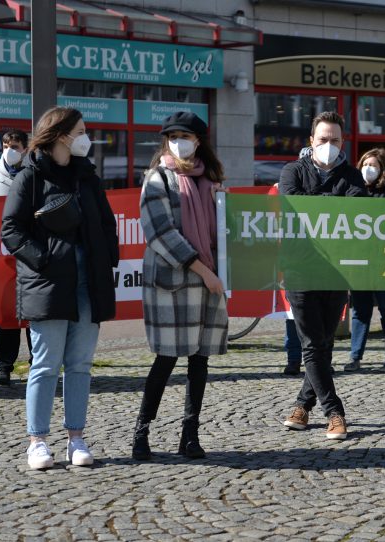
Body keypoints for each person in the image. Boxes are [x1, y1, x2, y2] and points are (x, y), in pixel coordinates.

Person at [1, 107, 119, 469]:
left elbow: (106, 223)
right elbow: (11, 229)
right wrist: (44, 260)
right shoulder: (30, 175)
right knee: (45, 365)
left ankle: (76, 438)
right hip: (49, 283)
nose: (87, 137)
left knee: (80, 365)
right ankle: (37, 441)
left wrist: (107, 257)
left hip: (89, 284)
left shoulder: (88, 177)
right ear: (62, 135)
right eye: (81, 131)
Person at [132, 112, 228, 461]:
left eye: (184, 135)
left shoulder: (213, 180)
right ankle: (141, 433)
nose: (177, 141)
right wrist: (203, 270)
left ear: (199, 140)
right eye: (172, 136)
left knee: (199, 361)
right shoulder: (157, 178)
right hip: (175, 281)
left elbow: (224, 231)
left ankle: (190, 434)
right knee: (166, 358)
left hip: (208, 281)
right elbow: (160, 232)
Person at [279, 111, 366, 440]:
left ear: (343, 143)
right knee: (313, 344)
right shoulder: (293, 171)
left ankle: (302, 405)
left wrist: (320, 203)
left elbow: (357, 210)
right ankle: (335, 412)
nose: (329, 145)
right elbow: (294, 205)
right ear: (311, 142)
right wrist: (332, 203)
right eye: (323, 140)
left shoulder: (352, 176)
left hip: (338, 270)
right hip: (300, 268)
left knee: (324, 343)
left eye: (335, 140)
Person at [0, 129, 33, 386]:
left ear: (25, 148)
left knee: (34, 310)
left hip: (30, 252)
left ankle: (39, 362)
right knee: (4, 312)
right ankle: (4, 366)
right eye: (6, 145)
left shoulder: (33, 175)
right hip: (1, 256)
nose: (9, 149)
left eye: (15, 145)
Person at [344, 147, 385, 373]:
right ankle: (355, 357)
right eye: (365, 165)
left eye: (374, 165)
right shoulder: (353, 190)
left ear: (383, 169)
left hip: (384, 260)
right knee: (360, 310)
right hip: (359, 260)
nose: (368, 169)